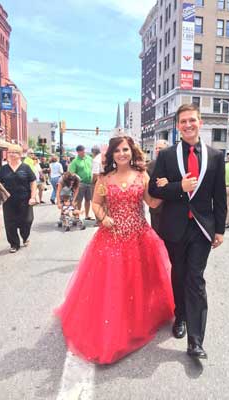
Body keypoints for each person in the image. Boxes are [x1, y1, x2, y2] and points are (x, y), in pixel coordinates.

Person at [55, 136, 174, 364]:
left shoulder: (142, 175)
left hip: (140, 236)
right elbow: (97, 203)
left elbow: (152, 203)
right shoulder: (104, 178)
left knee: (138, 283)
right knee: (114, 284)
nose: (122, 154)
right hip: (112, 237)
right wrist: (102, 217)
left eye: (126, 149)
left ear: (132, 152)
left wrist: (164, 189)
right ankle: (116, 322)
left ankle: (137, 320)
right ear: (112, 155)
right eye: (118, 150)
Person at [149, 104, 227, 360]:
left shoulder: (215, 156)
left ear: (200, 122)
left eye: (192, 120)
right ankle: (180, 315)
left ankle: (196, 341)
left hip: (202, 228)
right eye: (183, 121)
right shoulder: (167, 156)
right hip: (175, 226)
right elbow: (156, 189)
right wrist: (179, 187)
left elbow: (219, 195)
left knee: (196, 279)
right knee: (179, 275)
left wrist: (220, 229)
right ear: (178, 126)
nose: (188, 125)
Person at [0, 144, 37, 253]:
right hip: (9, 200)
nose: (11, 154)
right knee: (10, 222)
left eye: (14, 152)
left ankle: (25, 236)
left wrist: (33, 196)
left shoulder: (26, 168)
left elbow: (33, 181)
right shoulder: (4, 168)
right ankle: (14, 244)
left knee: (27, 221)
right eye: (10, 152)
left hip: (25, 199)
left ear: (20, 155)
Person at [147, 140, 169, 235]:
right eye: (156, 148)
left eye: (160, 148)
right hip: (155, 208)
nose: (157, 150)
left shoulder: (174, 163)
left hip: (171, 206)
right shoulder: (150, 165)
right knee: (156, 235)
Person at [69, 145, 93, 220]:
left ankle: (87, 215)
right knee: (79, 200)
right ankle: (78, 215)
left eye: (84, 150)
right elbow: (72, 173)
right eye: (82, 151)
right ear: (78, 152)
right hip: (80, 183)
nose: (84, 152)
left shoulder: (89, 158)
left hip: (90, 182)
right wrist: (77, 178)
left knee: (88, 200)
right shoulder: (75, 161)